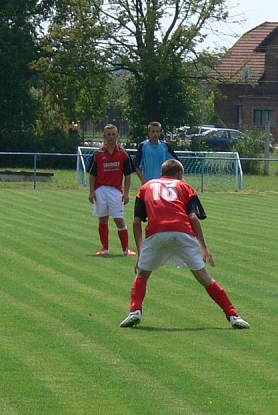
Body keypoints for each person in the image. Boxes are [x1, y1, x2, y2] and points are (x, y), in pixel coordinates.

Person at [119, 159, 250, 329]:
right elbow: (193, 217)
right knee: (204, 277)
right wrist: (204, 246)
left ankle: (135, 311)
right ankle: (233, 316)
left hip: (156, 232)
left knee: (143, 274)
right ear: (180, 174)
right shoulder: (184, 186)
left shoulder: (145, 187)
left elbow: (137, 222)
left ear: (162, 173)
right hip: (182, 232)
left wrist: (141, 251)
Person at [88, 124, 136, 257]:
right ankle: (105, 248)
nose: (111, 137)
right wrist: (91, 192)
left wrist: (126, 193)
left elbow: (127, 175)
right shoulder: (98, 154)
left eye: (113, 134)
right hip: (100, 190)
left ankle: (126, 249)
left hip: (116, 191)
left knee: (119, 219)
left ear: (117, 136)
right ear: (104, 136)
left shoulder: (123, 154)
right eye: (108, 134)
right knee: (102, 219)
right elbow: (92, 175)